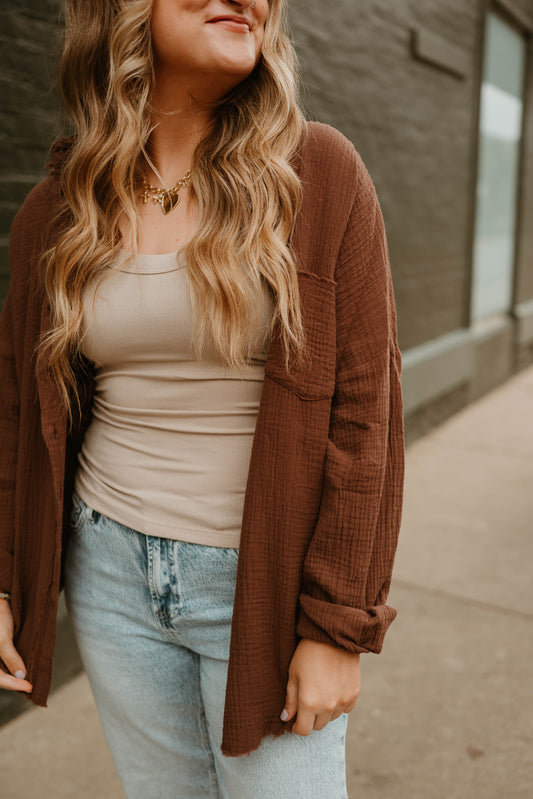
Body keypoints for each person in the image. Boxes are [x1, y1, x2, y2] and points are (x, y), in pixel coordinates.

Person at [0, 0, 405, 797]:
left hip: (264, 586)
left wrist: (337, 626)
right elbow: (16, 411)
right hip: (109, 567)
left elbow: (367, 419)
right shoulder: (60, 206)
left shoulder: (317, 174)